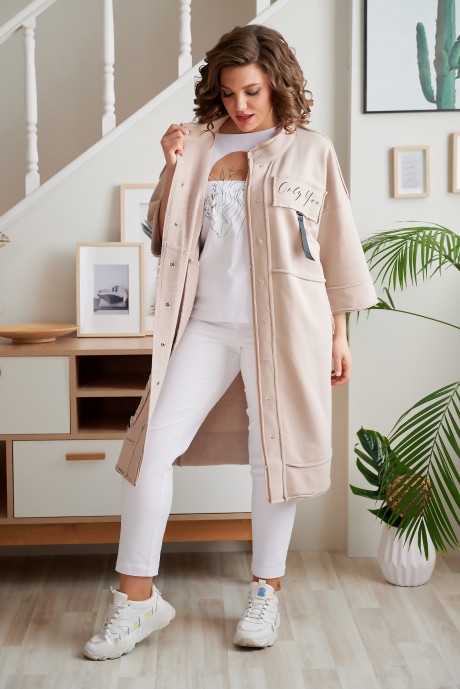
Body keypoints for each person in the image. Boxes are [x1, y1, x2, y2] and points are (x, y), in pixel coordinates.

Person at [84, 24, 377, 660]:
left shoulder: (312, 150)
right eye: (228, 92)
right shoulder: (196, 145)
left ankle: (265, 592)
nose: (240, 105)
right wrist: (170, 167)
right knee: (150, 451)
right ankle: (137, 601)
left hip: (288, 330)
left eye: (252, 91)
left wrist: (340, 333)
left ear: (276, 84)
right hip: (206, 326)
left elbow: (335, 247)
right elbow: (163, 238)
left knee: (274, 462)